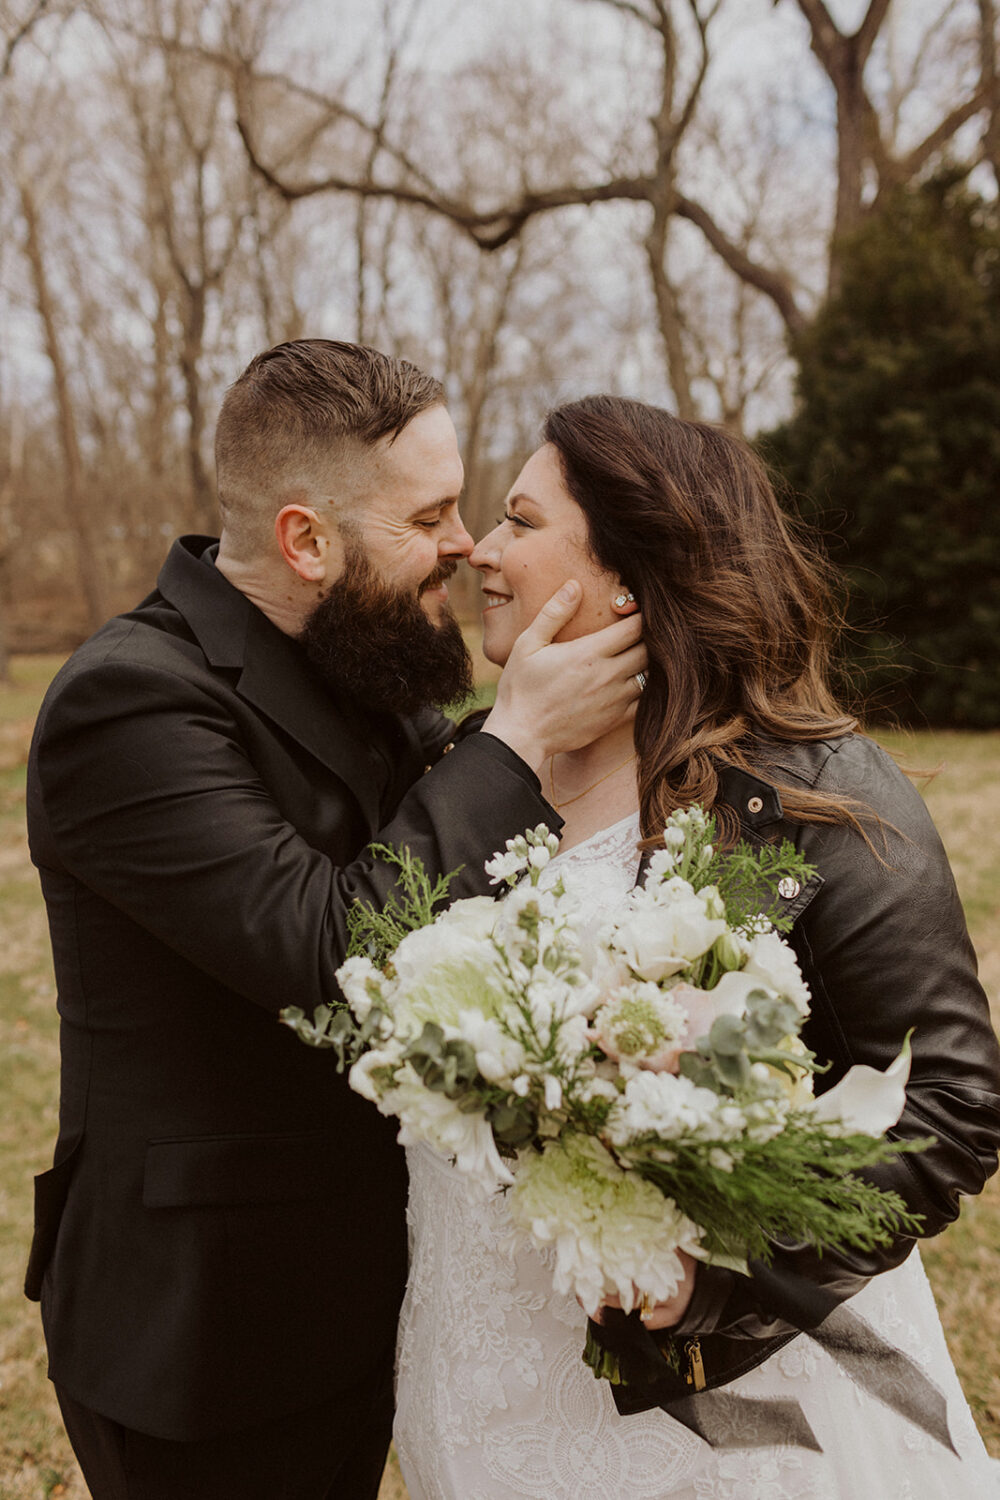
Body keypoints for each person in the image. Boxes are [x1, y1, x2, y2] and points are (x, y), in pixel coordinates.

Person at [23, 342, 648, 1500]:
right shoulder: (130, 701)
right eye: (430, 517)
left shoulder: (364, 661)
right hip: (207, 1330)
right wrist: (514, 740)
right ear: (307, 540)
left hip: (360, 1293)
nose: (464, 546)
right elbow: (331, 951)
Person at [393, 394, 1000, 1498]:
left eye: (522, 523)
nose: (482, 549)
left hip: (727, 1396)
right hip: (479, 1359)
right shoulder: (465, 767)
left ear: (631, 568)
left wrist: (725, 1265)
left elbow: (953, 1102)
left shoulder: (811, 789)